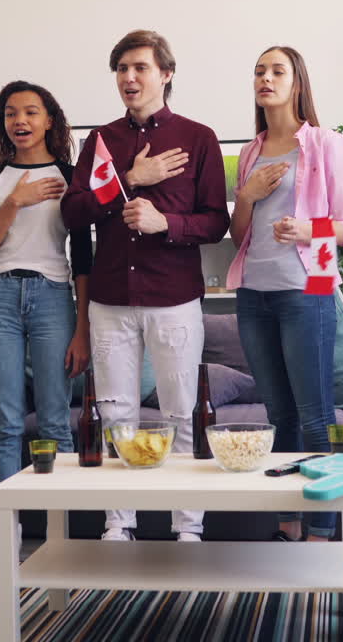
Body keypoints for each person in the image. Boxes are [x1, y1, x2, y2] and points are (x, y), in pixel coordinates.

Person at [61, 29, 230, 542]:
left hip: (173, 297)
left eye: (140, 68)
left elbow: (215, 222)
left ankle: (188, 528)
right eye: (121, 69)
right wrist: (129, 180)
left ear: (166, 74)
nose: (129, 78)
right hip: (110, 301)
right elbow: (72, 212)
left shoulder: (199, 138)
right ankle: (120, 523)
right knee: (117, 415)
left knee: (181, 413)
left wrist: (166, 225)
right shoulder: (101, 141)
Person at [226, 46, 343, 542]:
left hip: (309, 287)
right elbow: (240, 233)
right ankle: (288, 525)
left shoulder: (324, 143)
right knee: (277, 414)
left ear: (297, 82)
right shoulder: (251, 151)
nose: (265, 78)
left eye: (277, 71)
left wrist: (307, 229)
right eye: (259, 70)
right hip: (253, 294)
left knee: (315, 413)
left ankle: (324, 528)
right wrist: (248, 195)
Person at [0, 81, 92, 493]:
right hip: (0, 296)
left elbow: (83, 259)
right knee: (5, 423)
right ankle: (9, 533)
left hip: (54, 298)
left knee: (56, 420)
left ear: (49, 120)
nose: (19, 121)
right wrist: (15, 201)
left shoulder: (71, 177)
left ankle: (64, 529)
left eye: (30, 112)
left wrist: (82, 329)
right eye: (10, 113)